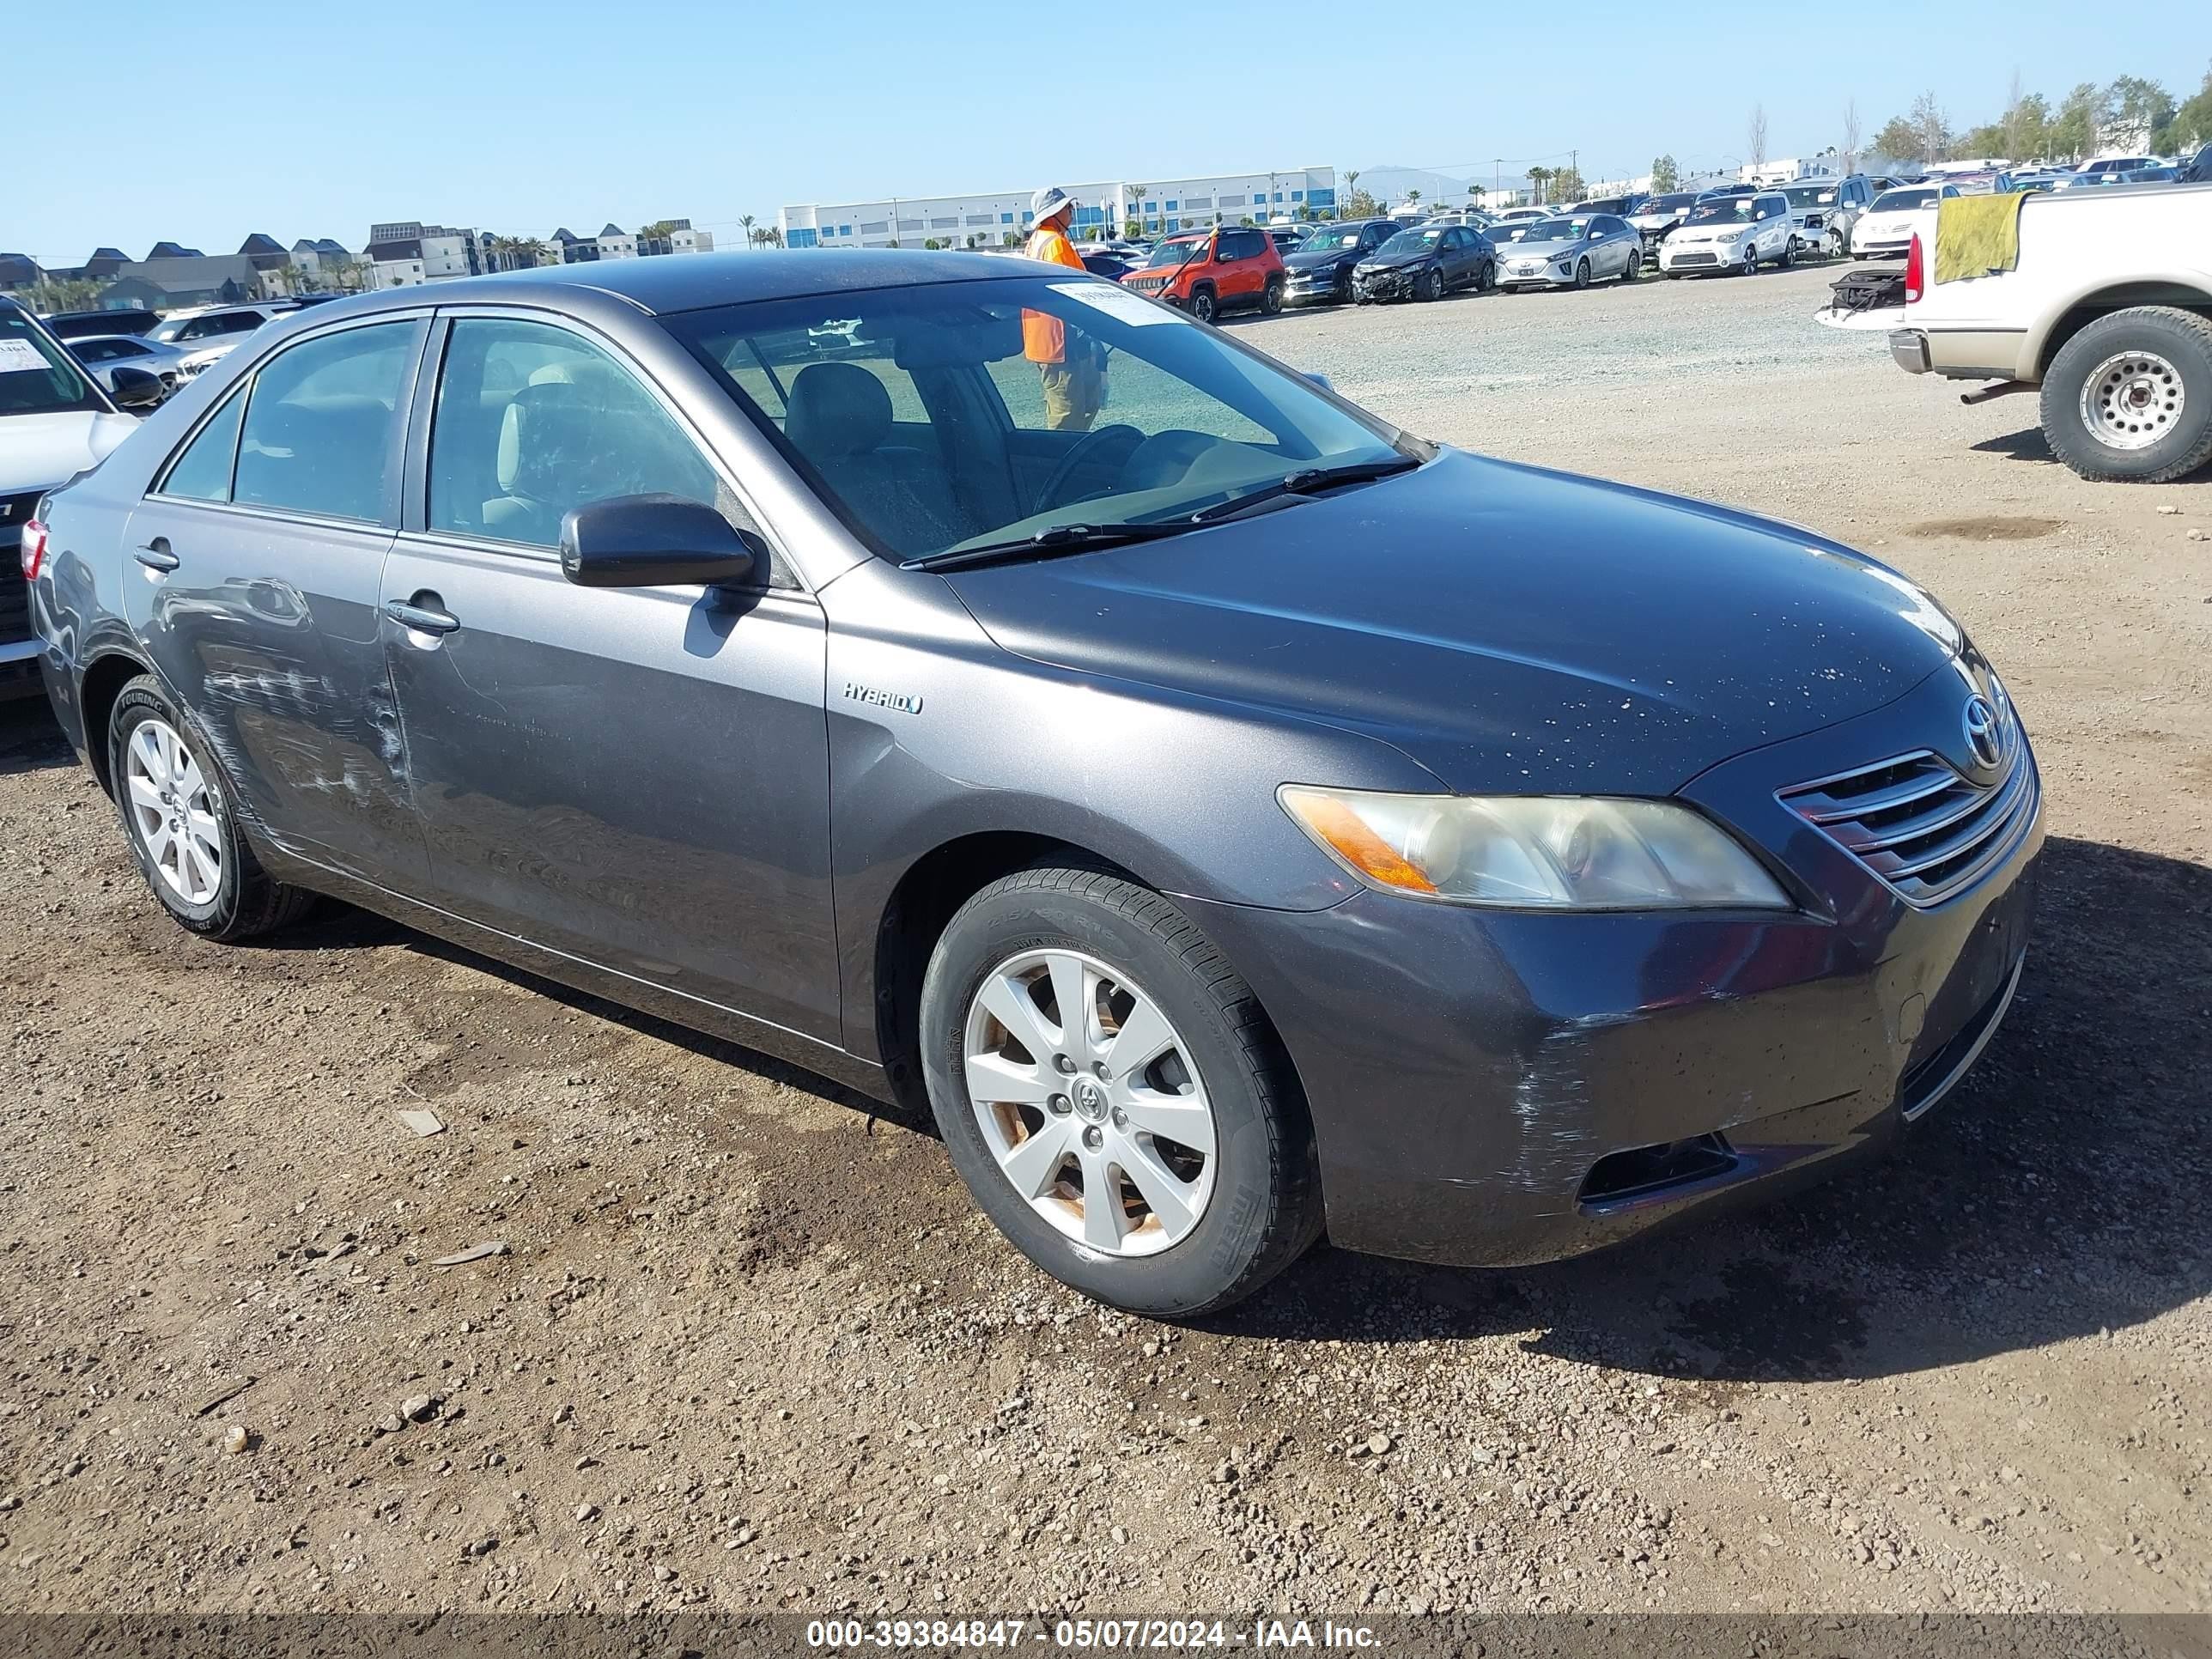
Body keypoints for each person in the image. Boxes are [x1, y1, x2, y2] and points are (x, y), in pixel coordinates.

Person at [1022, 185, 1105, 432]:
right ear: (1054, 213)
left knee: (1078, 405)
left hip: (1049, 342)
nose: (1072, 212)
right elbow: (1070, 293)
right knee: (1066, 414)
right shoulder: (1055, 244)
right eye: (1068, 208)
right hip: (1060, 343)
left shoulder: (1038, 241)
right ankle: (1061, 462)